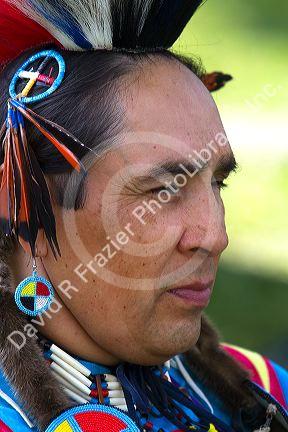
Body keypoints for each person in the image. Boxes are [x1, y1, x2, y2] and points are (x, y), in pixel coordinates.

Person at [0, 1, 287, 431]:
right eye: (162, 191)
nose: (215, 236)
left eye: (218, 183)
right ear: (21, 205)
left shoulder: (265, 391)